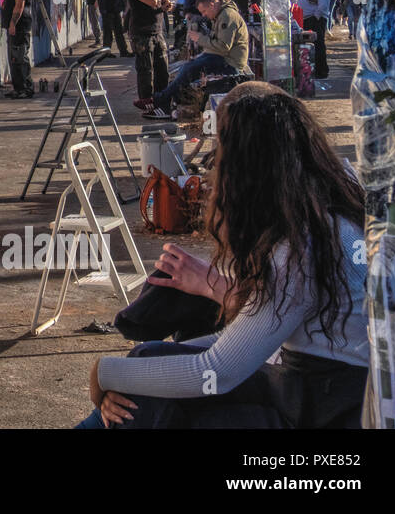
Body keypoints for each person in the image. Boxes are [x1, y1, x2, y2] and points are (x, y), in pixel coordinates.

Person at [77, 81, 367, 428]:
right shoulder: (335, 193)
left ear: (246, 166)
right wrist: (136, 369)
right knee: (149, 360)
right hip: (311, 388)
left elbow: (216, 371)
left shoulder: (303, 247)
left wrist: (105, 373)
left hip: (327, 407)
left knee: (147, 396)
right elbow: (243, 339)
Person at [145, 0, 247, 118]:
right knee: (187, 68)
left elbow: (223, 47)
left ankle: (160, 100)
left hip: (230, 62)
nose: (204, 15)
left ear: (211, 5)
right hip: (222, 57)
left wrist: (200, 38)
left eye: (204, 11)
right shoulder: (221, 15)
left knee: (189, 69)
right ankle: (164, 101)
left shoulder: (227, 16)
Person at [128, 0, 172, 112]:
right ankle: (147, 102)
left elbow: (164, 0)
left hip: (157, 31)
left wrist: (167, 4)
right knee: (146, 70)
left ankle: (161, 100)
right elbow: (153, 1)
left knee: (162, 68)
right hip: (141, 33)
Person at [297, 0, 332, 80]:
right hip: (304, 17)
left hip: (315, 18)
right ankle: (311, 70)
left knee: (318, 45)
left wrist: (316, 16)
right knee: (308, 46)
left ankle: (322, 71)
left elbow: (323, 2)